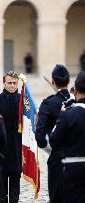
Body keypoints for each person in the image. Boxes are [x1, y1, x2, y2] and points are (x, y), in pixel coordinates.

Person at [35, 64, 71, 203]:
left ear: (53, 81)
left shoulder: (48, 103)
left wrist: (50, 149)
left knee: (56, 197)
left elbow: (40, 136)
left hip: (57, 157)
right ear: (68, 81)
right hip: (78, 156)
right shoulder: (77, 101)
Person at [50, 71, 85, 203]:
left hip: (73, 169)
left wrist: (62, 115)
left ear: (75, 91)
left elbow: (54, 140)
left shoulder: (69, 114)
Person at [0, 71, 22, 203]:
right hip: (1, 149)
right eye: (9, 83)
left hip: (17, 148)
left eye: (15, 83)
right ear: (4, 83)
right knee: (1, 192)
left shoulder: (23, 100)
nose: (12, 85)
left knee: (15, 188)